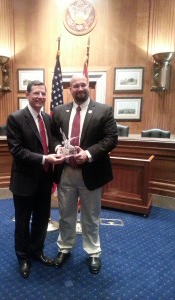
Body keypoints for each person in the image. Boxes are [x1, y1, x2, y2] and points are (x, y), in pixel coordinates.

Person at [51, 74, 118, 274]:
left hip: (92, 172)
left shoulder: (103, 110)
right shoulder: (59, 111)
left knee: (91, 216)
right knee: (65, 214)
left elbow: (111, 138)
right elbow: (54, 135)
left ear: (88, 86)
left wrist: (88, 154)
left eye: (83, 84)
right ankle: (65, 248)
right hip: (66, 172)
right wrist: (57, 148)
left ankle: (93, 252)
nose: (80, 88)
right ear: (69, 89)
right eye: (75, 86)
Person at [6, 80, 65, 279]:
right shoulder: (15, 118)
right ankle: (23, 258)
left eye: (43, 93)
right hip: (24, 181)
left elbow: (53, 140)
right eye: (36, 93)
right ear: (27, 94)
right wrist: (44, 158)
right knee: (22, 222)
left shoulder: (47, 118)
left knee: (41, 220)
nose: (40, 97)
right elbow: (17, 151)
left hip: (45, 179)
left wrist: (57, 149)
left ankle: (37, 252)